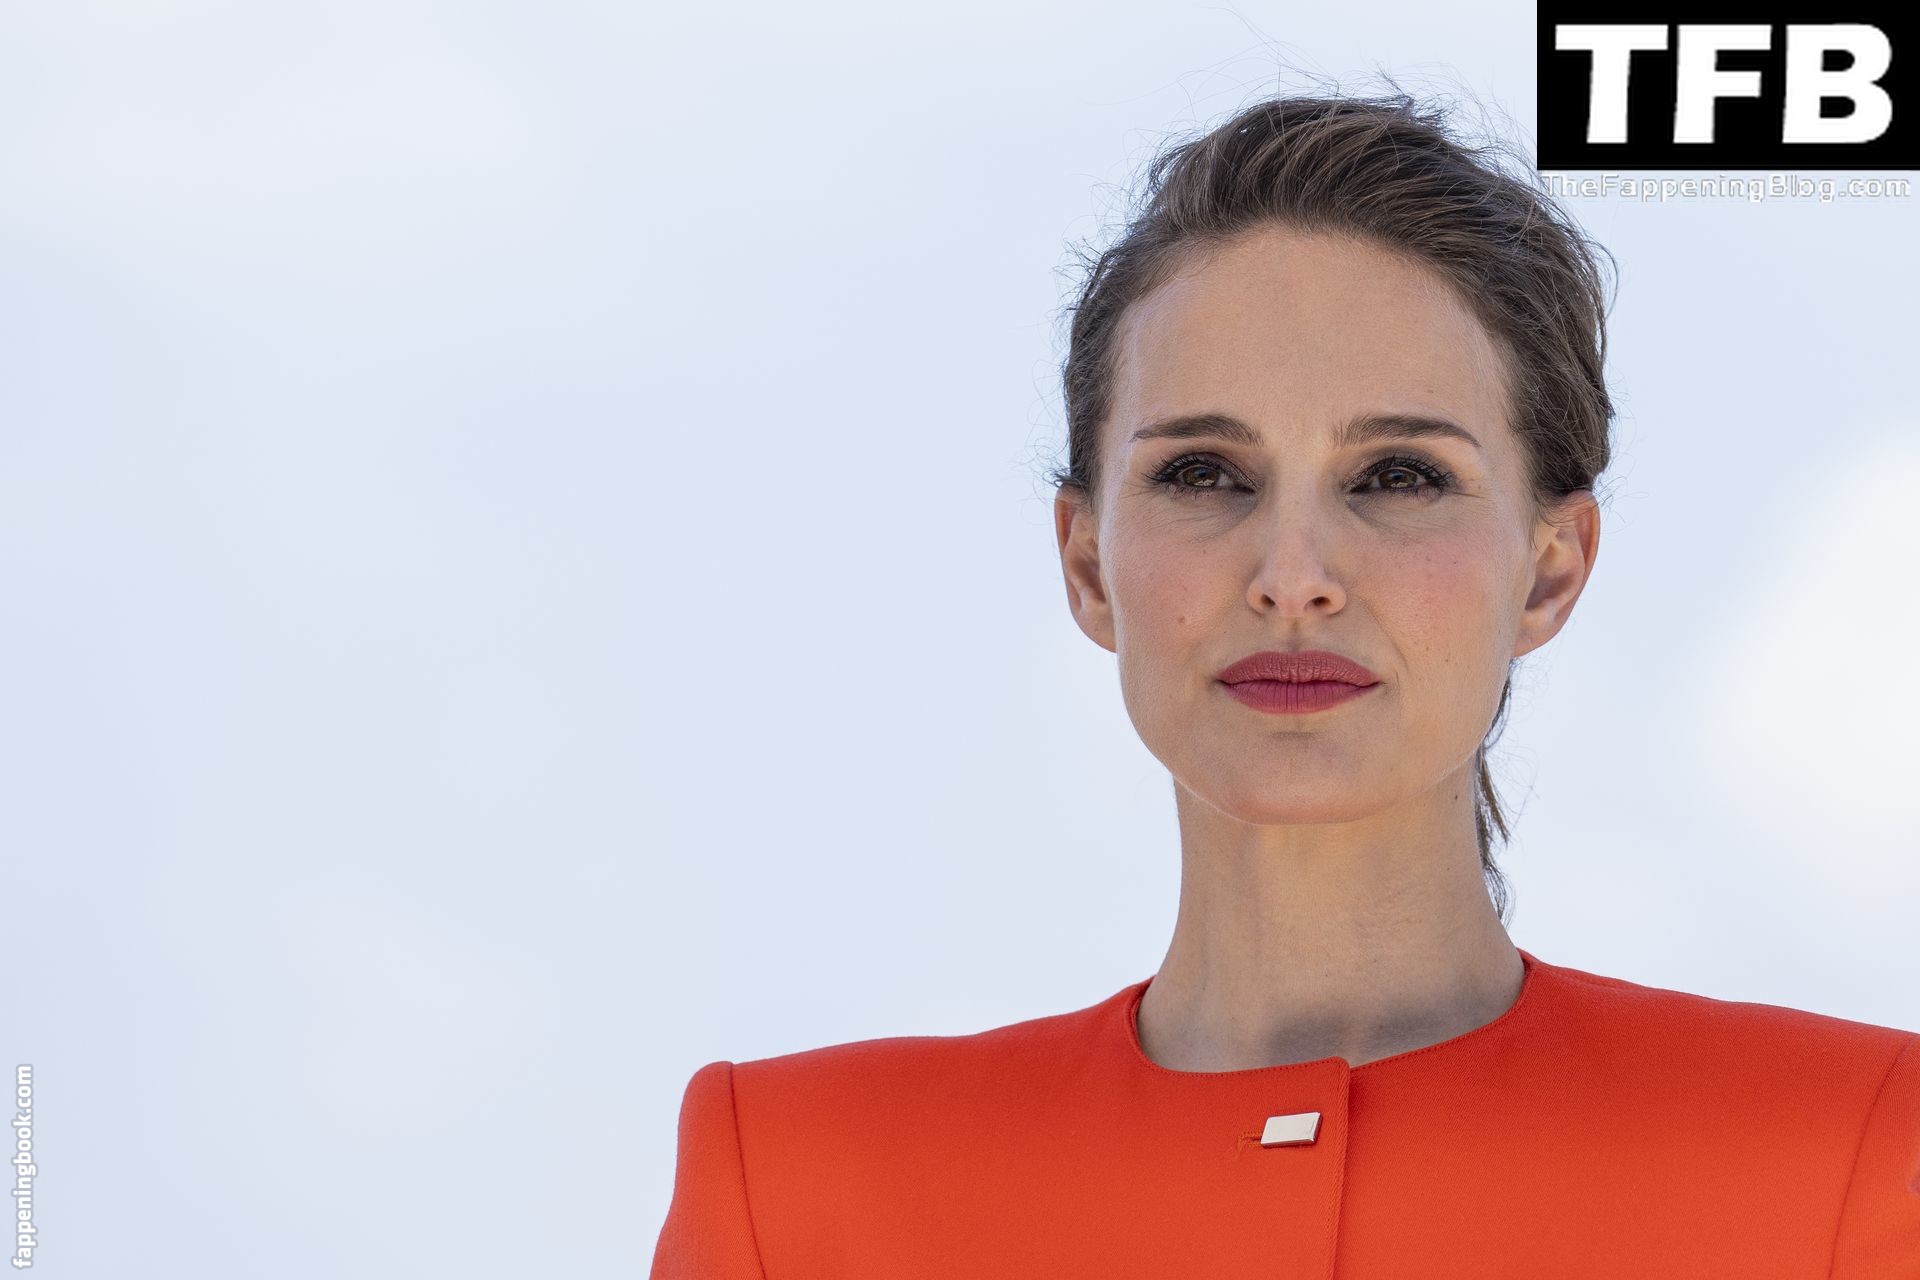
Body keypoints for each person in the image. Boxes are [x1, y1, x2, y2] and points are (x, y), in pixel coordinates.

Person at [648, 90, 1920, 1277]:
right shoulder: (794, 1185)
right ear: (1088, 564)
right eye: (1203, 473)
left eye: (1399, 476)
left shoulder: (1851, 1152)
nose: (1294, 576)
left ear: (1549, 569)